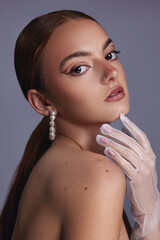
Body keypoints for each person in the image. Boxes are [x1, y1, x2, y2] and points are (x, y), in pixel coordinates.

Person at [0, 10, 159, 240]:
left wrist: (149, 216)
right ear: (42, 102)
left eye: (110, 54)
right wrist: (150, 221)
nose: (111, 72)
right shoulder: (97, 176)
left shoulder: (49, 165)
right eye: (79, 68)